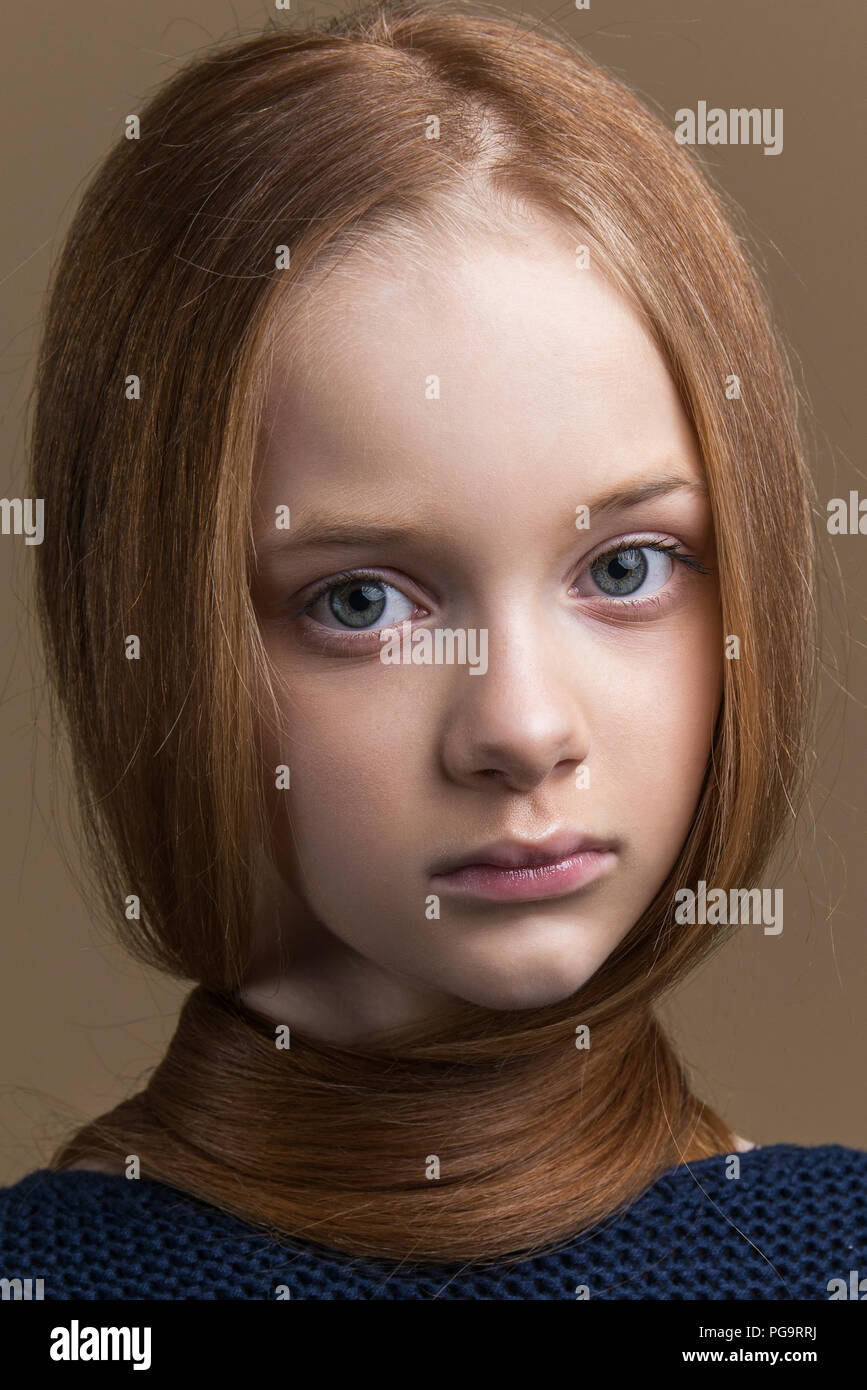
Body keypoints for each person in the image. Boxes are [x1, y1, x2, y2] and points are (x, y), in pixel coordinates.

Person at [2, 0, 864, 1299]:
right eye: (362, 602)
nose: (521, 727)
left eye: (625, 569)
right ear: (155, 629)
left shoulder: (831, 1257)